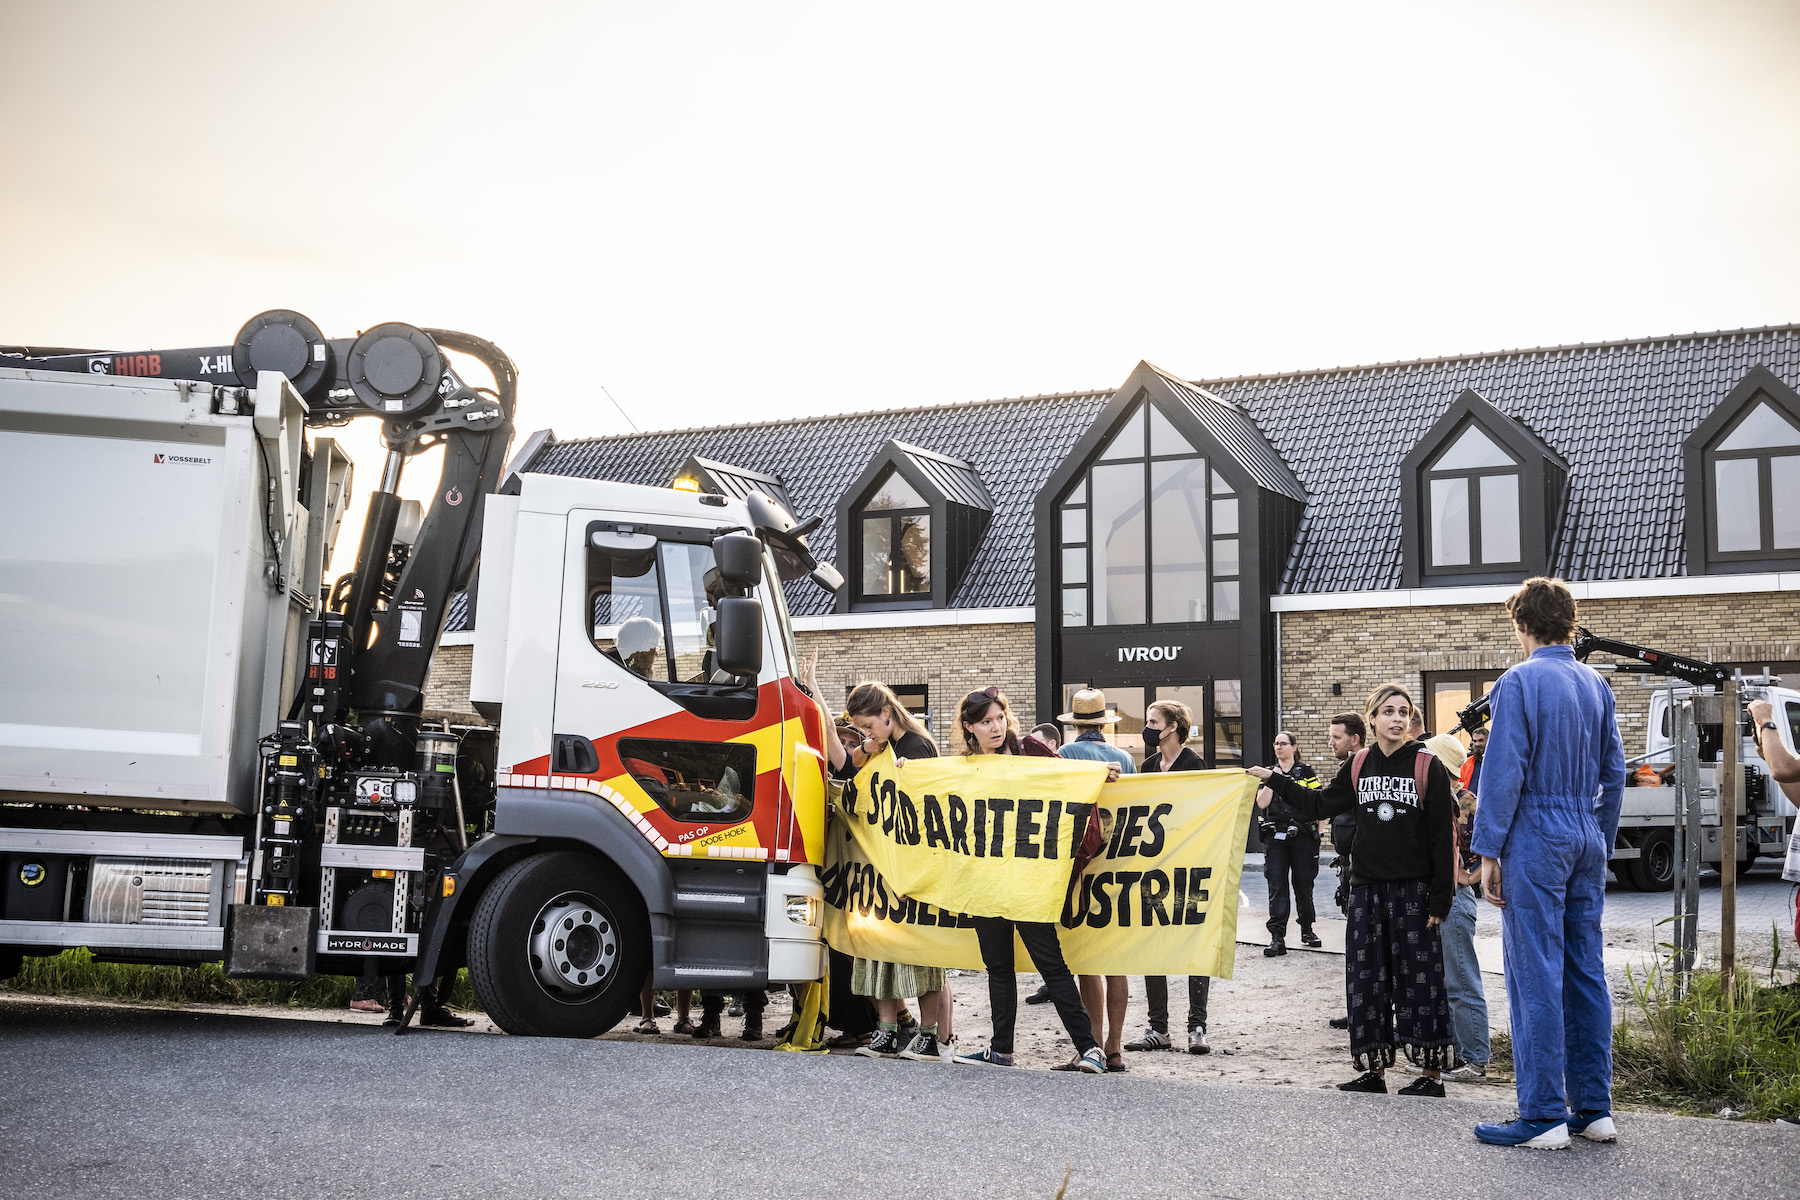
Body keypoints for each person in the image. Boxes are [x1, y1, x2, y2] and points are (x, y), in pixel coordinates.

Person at [1471, 578, 1626, 1149]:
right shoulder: (1595, 684)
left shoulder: (1518, 682)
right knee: (1585, 967)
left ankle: (1541, 1115)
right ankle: (1593, 1107)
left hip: (1538, 833)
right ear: (1569, 623)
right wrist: (1599, 839)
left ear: (1522, 625)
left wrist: (1488, 850)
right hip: (1586, 831)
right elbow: (1616, 772)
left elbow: (1503, 772)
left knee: (1534, 968)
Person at [1251, 683, 1456, 1096]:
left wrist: (1441, 898)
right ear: (1373, 719)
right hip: (1366, 891)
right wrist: (1276, 778)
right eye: (1388, 712)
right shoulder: (1360, 763)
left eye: (1403, 711)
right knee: (1367, 982)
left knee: (1420, 982)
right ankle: (1374, 1070)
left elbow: (1441, 836)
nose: (1397, 719)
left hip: (1413, 893)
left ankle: (1430, 1077)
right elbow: (1320, 804)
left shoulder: (1426, 765)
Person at [949, 686, 1107, 1074]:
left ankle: (1091, 1049)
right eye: (985, 722)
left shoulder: (1031, 751)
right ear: (970, 728)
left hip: (1031, 882)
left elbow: (1069, 782)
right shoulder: (965, 765)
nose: (995, 727)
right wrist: (907, 772)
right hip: (986, 882)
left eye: (999, 718)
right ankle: (1000, 1049)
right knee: (998, 968)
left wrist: (1099, 774)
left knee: (1051, 966)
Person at [844, 681, 955, 1063]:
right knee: (883, 949)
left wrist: (912, 874)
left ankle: (928, 1036)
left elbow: (923, 817)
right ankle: (888, 1032)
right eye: (860, 729)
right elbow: (847, 764)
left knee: (922, 953)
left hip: (912, 870)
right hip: (887, 868)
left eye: (868, 725)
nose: (866, 733)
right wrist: (866, 747)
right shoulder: (886, 744)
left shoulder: (917, 748)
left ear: (887, 714)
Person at [1126, 700, 1216, 1056]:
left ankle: (1197, 1026)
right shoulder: (1148, 765)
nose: (1147, 727)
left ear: (1174, 726)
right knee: (1154, 946)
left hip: (1188, 867)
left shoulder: (1194, 764)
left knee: (1193, 943)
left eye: (1153, 721)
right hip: (1154, 869)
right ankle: (1158, 1027)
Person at [1053, 688, 1137, 1071]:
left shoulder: (1066, 755)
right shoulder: (1125, 759)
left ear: (1075, 726)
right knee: (1116, 959)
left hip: (1084, 863)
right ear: (1104, 724)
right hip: (1120, 861)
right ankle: (1116, 1047)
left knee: (1088, 960)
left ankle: (1093, 1045)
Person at [1413, 733, 1489, 1083]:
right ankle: (1457, 1053)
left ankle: (1475, 1059)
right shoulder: (1435, 799)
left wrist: (1461, 876)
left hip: (1456, 899)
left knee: (1460, 980)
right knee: (1443, 981)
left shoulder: (1466, 803)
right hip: (1438, 896)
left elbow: (1487, 853)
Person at [1257, 730, 1321, 955]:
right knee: (1277, 886)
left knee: (1303, 884)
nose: (1278, 747)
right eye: (1276, 743)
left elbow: (1318, 802)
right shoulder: (1267, 772)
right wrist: (1271, 778)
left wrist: (1318, 834)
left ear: (1294, 747)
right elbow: (1262, 804)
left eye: (1283, 743)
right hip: (1275, 838)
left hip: (1302, 837)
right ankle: (1277, 937)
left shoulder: (1305, 772)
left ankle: (1307, 928)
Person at [1324, 712, 1366, 1031]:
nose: (1331, 741)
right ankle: (1357, 1009)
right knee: (1354, 945)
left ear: (1355, 739)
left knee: (1364, 946)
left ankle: (1365, 1012)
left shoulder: (1362, 772)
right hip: (1348, 869)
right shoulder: (1346, 770)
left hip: (1363, 871)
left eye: (1337, 737)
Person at [1461, 726, 1487, 794]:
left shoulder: (1497, 762)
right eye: (1475, 741)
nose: (1477, 744)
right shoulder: (1466, 763)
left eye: (1480, 740)